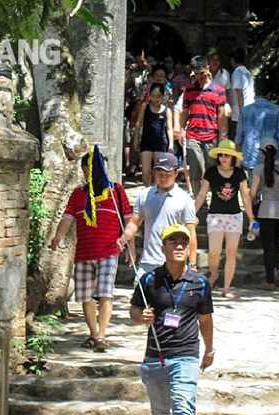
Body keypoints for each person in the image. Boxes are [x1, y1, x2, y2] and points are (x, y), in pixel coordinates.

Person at [130, 223, 214, 415]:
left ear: (189, 248)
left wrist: (210, 349)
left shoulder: (199, 283)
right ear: (163, 247)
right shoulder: (149, 280)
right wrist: (140, 317)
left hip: (186, 354)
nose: (178, 246)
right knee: (159, 411)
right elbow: (133, 311)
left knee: (183, 407)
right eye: (173, 242)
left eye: (183, 243)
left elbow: (205, 319)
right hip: (155, 355)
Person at [50, 148, 132, 350]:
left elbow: (128, 219)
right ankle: (93, 334)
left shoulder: (116, 192)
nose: (89, 174)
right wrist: (58, 236)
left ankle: (102, 334)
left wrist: (128, 243)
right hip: (84, 252)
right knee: (85, 296)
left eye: (93, 170)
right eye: (86, 170)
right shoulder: (78, 194)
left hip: (109, 250)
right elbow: (68, 217)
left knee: (105, 293)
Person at [117, 153, 198, 281]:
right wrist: (124, 237)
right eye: (159, 174)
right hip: (147, 263)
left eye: (167, 175)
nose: (163, 178)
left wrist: (192, 264)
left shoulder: (185, 199)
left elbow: (191, 233)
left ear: (176, 173)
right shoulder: (144, 195)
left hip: (173, 265)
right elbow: (134, 223)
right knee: (139, 299)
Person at [194, 140, 255, 299]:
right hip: (215, 215)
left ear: (232, 157)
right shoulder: (211, 172)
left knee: (231, 253)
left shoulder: (239, 174)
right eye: (220, 155)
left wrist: (251, 217)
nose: (223, 158)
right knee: (213, 252)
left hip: (234, 216)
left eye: (226, 155)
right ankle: (213, 273)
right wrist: (192, 212)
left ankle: (227, 287)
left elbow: (245, 196)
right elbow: (202, 194)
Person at [250, 138, 279, 290]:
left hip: (267, 210)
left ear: (262, 153)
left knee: (268, 245)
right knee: (276, 240)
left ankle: (270, 280)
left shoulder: (259, 169)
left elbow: (252, 192)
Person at [180, 55, 227, 196]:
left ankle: (214, 198)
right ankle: (200, 200)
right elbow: (185, 111)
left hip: (211, 135)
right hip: (193, 134)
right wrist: (181, 130)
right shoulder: (188, 90)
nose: (199, 76)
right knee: (195, 170)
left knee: (212, 169)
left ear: (207, 69)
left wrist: (223, 135)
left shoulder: (219, 90)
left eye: (202, 73)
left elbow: (221, 114)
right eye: (196, 74)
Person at [235, 77, 279, 182]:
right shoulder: (276, 110)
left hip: (251, 156)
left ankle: (257, 198)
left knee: (254, 187)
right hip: (271, 155)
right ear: (269, 94)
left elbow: (239, 138)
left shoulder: (245, 111)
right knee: (270, 187)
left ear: (255, 92)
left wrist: (239, 157)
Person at [133, 82, 173, 186]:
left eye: (159, 96)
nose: (156, 99)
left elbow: (169, 128)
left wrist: (171, 144)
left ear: (163, 97)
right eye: (153, 96)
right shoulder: (145, 107)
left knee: (158, 170)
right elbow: (138, 123)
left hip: (161, 142)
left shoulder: (167, 111)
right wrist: (136, 139)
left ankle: (156, 191)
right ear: (150, 96)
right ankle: (147, 190)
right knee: (145, 171)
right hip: (146, 142)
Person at [229, 46, 255, 140]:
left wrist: (242, 113)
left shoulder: (237, 73)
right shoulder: (248, 73)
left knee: (236, 140)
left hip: (239, 114)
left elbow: (239, 94)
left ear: (232, 60)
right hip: (250, 111)